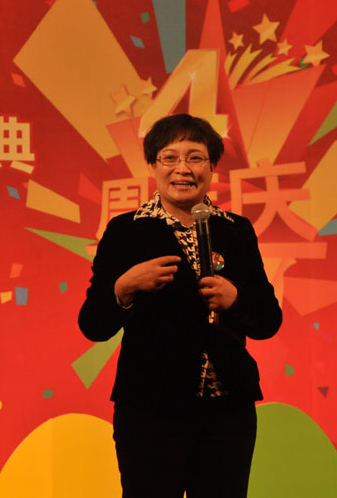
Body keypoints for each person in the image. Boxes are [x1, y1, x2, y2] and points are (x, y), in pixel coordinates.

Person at [78, 113, 282, 498]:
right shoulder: (126, 230)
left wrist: (236, 299)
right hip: (151, 410)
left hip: (227, 411)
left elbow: (268, 320)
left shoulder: (235, 230)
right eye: (170, 158)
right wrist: (123, 288)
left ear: (212, 166)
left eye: (195, 157)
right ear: (153, 166)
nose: (183, 169)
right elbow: (93, 324)